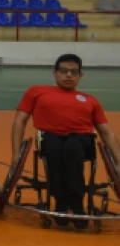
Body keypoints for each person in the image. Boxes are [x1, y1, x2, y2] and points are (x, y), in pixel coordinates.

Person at [11, 54, 120, 229]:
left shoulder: (90, 100)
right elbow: (19, 121)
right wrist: (16, 154)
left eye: (73, 72)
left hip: (81, 140)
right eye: (64, 71)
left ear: (80, 75)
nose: (68, 75)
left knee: (72, 146)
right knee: (55, 146)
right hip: (49, 136)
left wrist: (118, 160)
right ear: (54, 73)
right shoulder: (36, 91)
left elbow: (106, 131)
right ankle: (61, 202)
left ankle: (77, 204)